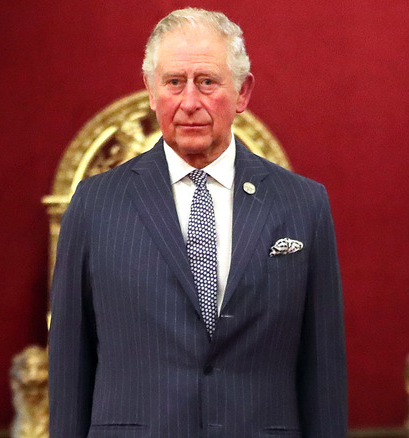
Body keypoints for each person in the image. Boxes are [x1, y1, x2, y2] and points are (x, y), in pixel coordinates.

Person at [48, 8, 347, 437]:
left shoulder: (303, 204)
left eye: (207, 82)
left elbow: (323, 371)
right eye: (174, 83)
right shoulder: (95, 205)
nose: (190, 102)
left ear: (242, 93)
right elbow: (69, 364)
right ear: (151, 92)